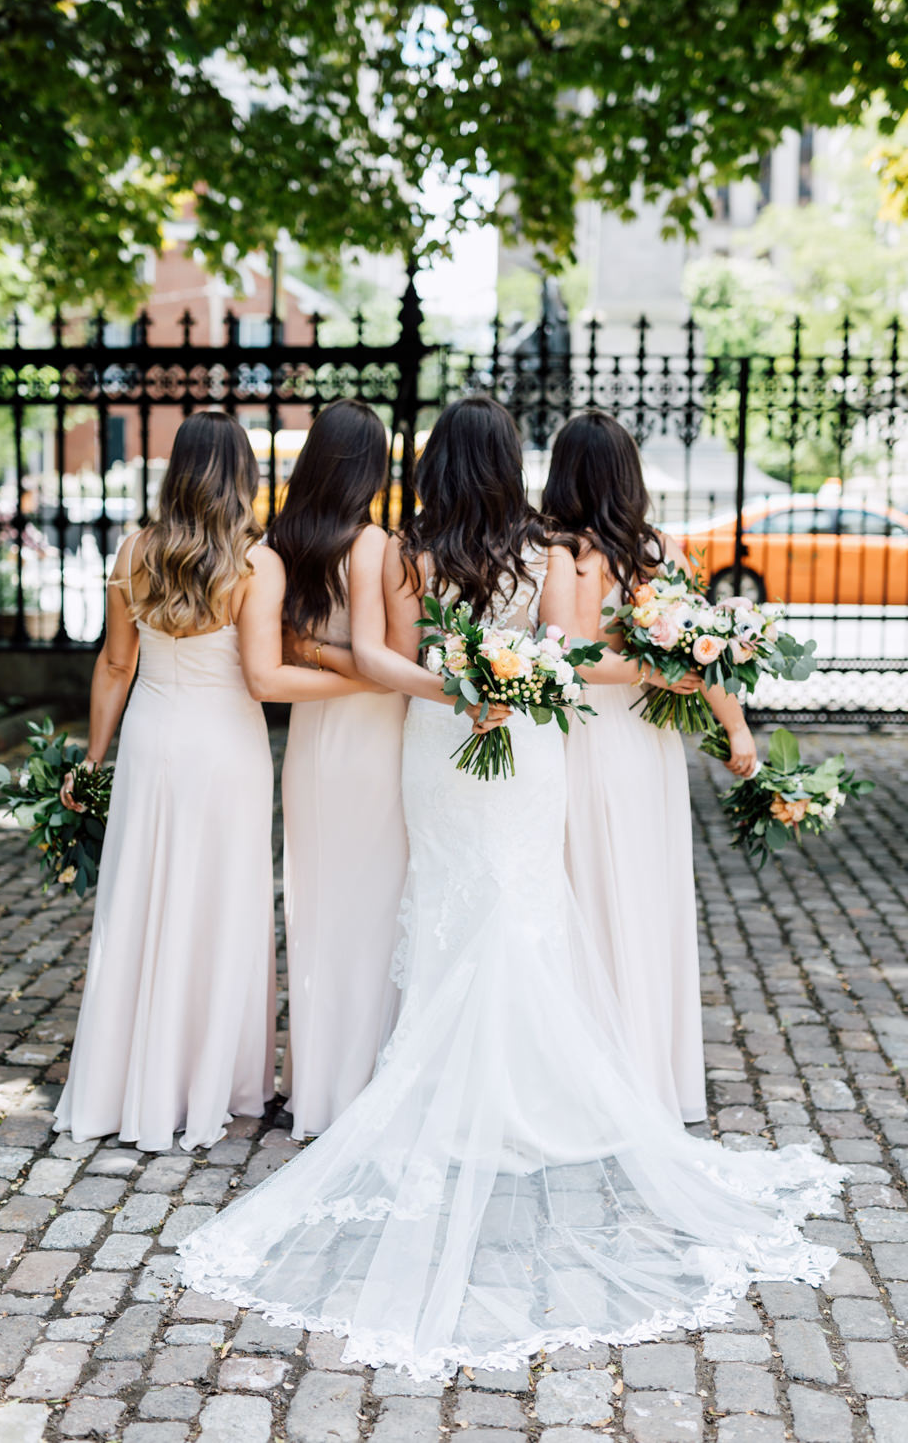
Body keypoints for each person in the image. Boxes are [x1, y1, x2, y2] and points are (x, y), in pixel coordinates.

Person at [178, 395, 844, 1380]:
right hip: (518, 739)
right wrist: (501, 682)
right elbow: (561, 652)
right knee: (507, 903)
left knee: (475, 902)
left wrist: (457, 686)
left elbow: (391, 657)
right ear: (506, 465)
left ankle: (467, 1092)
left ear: (436, 465)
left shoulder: (408, 552)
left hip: (447, 740)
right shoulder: (538, 552)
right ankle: (527, 1094)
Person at [54, 410, 365, 1152]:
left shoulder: (135, 550)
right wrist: (364, 680)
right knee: (222, 900)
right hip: (225, 748)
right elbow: (266, 680)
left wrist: (92, 758)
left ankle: (131, 1076)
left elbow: (116, 665)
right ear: (243, 476)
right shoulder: (256, 564)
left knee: (143, 894)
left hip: (151, 741)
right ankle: (211, 1079)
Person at [540, 410, 758, 1124]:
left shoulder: (571, 553)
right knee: (630, 886)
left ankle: (610, 1064)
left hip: (598, 737)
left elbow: (577, 655)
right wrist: (733, 726)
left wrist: (729, 722)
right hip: (632, 739)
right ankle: (636, 1062)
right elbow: (693, 649)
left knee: (597, 886)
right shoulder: (648, 551)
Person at [266, 399, 407, 1140]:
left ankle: (315, 1083)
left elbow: (284, 649)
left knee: (316, 908)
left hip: (312, 739)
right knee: (373, 910)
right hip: (373, 738)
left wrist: (313, 651)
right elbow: (386, 666)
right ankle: (362, 1082)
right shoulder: (373, 542)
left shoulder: (282, 540)